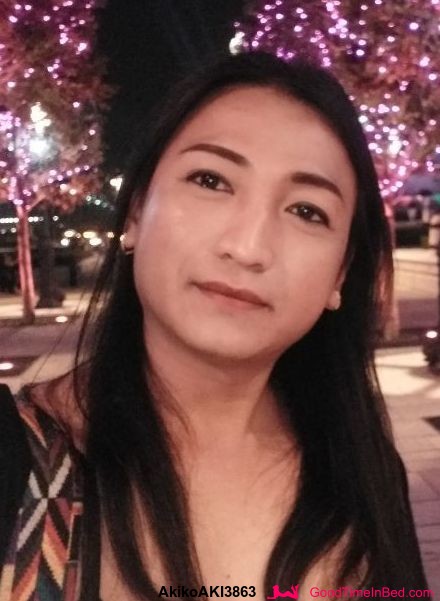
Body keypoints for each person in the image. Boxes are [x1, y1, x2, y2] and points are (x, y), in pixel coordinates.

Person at [0, 51, 429, 600]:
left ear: (340, 275)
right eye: (211, 179)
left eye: (307, 211)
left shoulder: (364, 475)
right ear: (136, 213)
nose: (247, 247)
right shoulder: (14, 463)